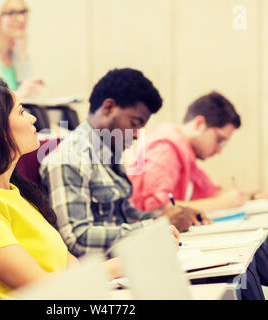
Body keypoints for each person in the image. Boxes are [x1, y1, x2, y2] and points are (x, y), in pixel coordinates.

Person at [0, 77, 123, 300]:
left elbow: (70, 267)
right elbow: (41, 288)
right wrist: (123, 263)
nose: (33, 118)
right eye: (21, 112)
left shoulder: (16, 193)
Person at [39, 68, 199, 259]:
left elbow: (124, 217)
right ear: (108, 108)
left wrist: (172, 216)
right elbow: (76, 240)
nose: (136, 134)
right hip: (102, 276)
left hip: (126, 265)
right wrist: (156, 226)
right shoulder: (70, 158)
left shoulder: (109, 154)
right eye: (134, 123)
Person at [127, 91, 268, 213]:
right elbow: (152, 211)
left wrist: (256, 196)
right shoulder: (165, 150)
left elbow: (212, 193)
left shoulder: (185, 152)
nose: (219, 150)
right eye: (219, 140)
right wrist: (221, 205)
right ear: (199, 124)